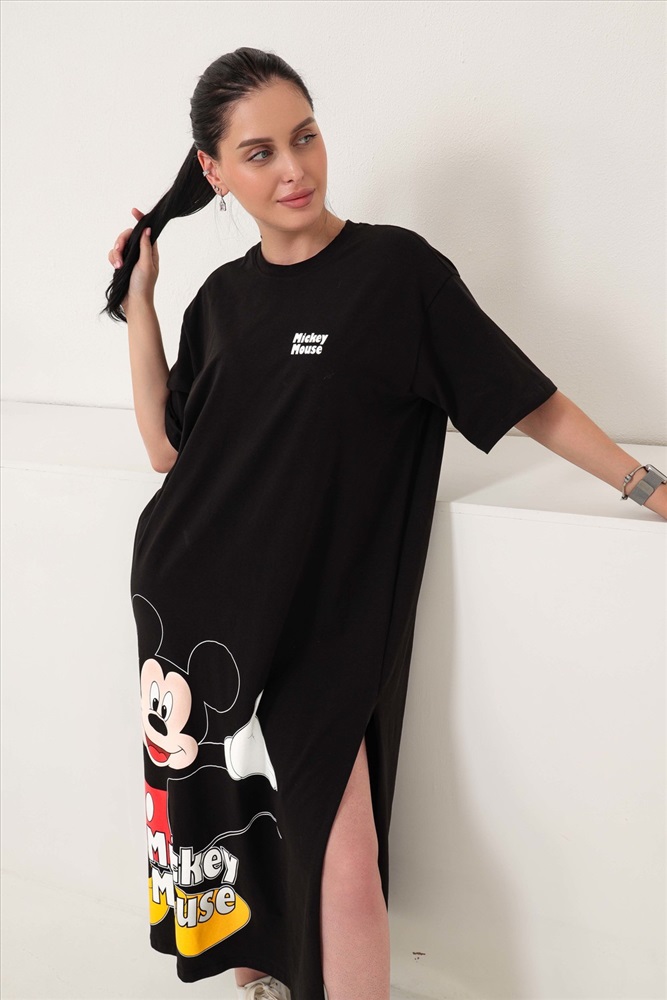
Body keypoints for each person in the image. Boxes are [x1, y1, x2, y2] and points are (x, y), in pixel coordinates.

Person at [102, 46, 667, 1000]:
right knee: (232, 822)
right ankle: (262, 980)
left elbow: (524, 399)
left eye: (305, 137)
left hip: (326, 616)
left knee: (343, 857)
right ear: (213, 171)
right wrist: (142, 300)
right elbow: (167, 449)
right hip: (197, 602)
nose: (294, 169)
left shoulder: (396, 274)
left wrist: (647, 486)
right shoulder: (221, 301)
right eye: (259, 153)